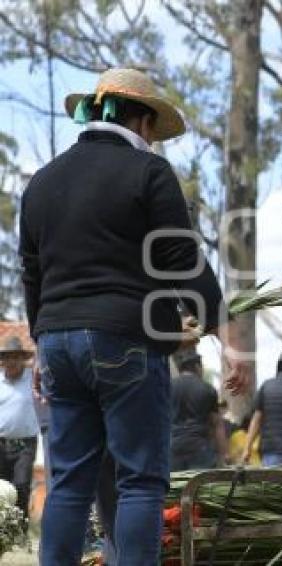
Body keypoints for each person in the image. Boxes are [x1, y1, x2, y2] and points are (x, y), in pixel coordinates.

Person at [19, 68, 248, 565]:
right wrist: (226, 334)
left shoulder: (42, 181)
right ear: (144, 120)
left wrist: (41, 344)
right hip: (124, 339)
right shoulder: (148, 172)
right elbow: (179, 258)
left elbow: (32, 275)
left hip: (58, 341)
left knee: (69, 481)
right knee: (140, 480)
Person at [0, 337, 39, 521]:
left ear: (23, 359)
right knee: (2, 488)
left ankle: (20, 530)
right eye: (7, 358)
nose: (11, 362)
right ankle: (5, 530)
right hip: (1, 443)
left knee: (21, 485)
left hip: (26, 444)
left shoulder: (33, 379)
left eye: (15, 357)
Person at [170, 349, 229, 471]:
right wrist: (224, 454)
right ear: (197, 366)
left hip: (173, 448)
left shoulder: (168, 387)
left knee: (174, 488)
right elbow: (217, 424)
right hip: (200, 448)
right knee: (201, 488)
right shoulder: (207, 389)